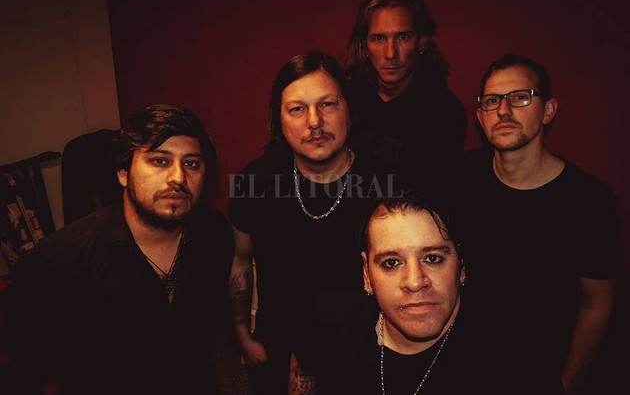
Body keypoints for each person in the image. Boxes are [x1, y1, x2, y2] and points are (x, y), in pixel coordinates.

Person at [3, 104, 234, 394]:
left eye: (192, 163)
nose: (178, 177)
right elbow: (23, 371)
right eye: (160, 161)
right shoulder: (54, 264)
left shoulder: (215, 234)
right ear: (124, 172)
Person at [228, 52, 400, 394]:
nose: (314, 122)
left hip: (365, 349)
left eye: (327, 104)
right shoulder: (254, 182)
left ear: (349, 110)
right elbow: (240, 260)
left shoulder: (388, 184)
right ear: (279, 121)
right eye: (297, 109)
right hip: (276, 346)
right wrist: (242, 334)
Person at [455, 53, 626, 394]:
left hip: (540, 375)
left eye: (520, 97)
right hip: (465, 369)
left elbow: (598, 304)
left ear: (548, 111)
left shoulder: (590, 202)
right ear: (480, 117)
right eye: (492, 101)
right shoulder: (460, 177)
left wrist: (566, 384)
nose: (504, 110)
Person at [298, 190, 563, 394]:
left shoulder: (517, 365)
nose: (415, 282)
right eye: (391, 263)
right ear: (367, 274)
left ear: (461, 267)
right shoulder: (330, 326)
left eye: (433, 258)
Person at [346, 0, 468, 192]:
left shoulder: (445, 113)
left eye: (403, 37)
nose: (391, 53)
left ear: (421, 41)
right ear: (365, 45)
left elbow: (432, 197)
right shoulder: (346, 98)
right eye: (379, 38)